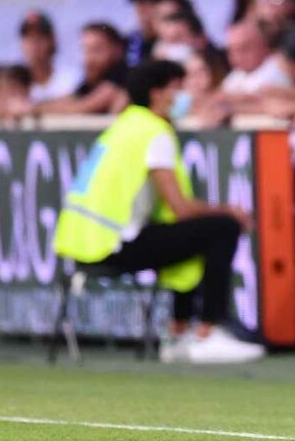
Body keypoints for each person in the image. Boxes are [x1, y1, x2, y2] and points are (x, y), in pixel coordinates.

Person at [53, 60, 265, 364]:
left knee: (192, 234)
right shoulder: (155, 133)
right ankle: (207, 331)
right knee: (222, 227)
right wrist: (230, 211)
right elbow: (181, 208)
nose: (183, 96)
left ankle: (178, 331)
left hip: (81, 245)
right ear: (156, 94)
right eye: (177, 88)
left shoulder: (123, 127)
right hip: (112, 246)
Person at [18, 10, 78, 102]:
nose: (34, 44)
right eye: (28, 38)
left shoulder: (71, 79)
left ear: (52, 41)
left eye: (39, 38)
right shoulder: (15, 83)